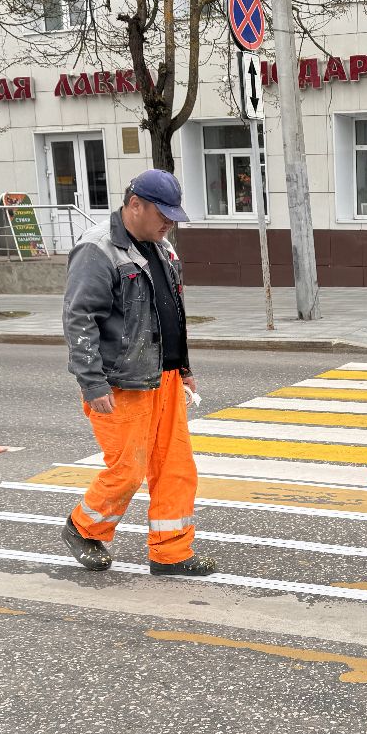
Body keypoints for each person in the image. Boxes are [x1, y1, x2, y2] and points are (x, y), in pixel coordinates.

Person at [60, 169, 216, 577]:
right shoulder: (97, 249)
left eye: (173, 217)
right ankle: (83, 528)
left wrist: (183, 368)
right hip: (121, 383)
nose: (169, 224)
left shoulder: (162, 248)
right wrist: (91, 383)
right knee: (127, 470)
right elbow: (79, 320)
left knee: (176, 469)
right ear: (134, 205)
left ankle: (171, 553)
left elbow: (172, 314)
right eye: (162, 215)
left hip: (164, 378)